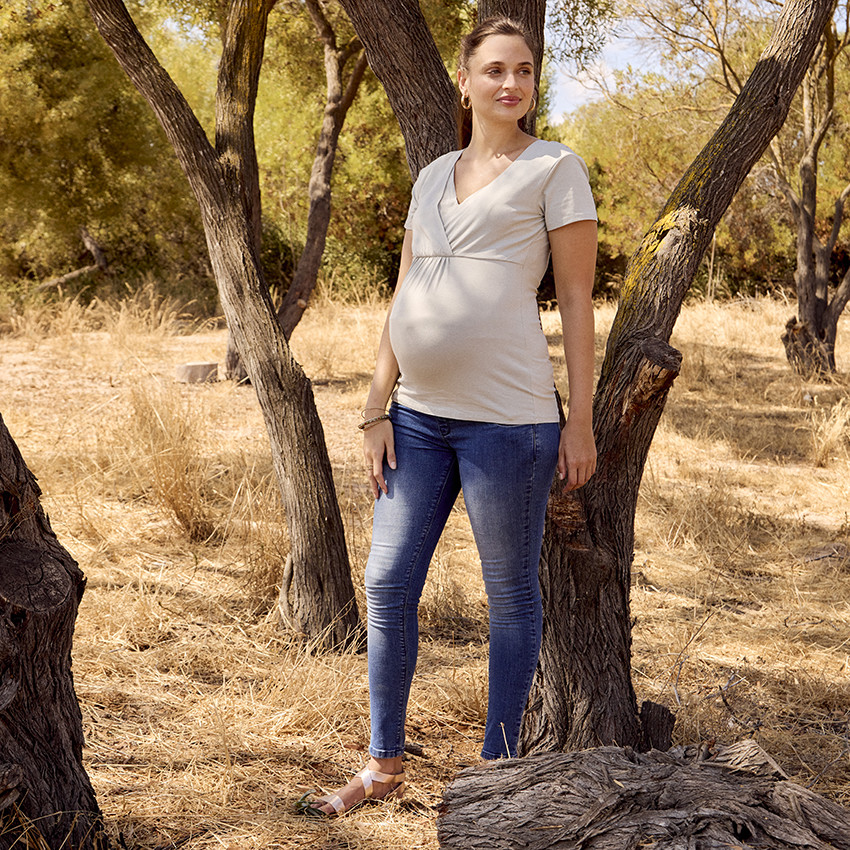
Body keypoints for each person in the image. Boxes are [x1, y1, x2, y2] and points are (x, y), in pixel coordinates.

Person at [304, 15, 598, 817]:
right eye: (495, 70)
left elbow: (576, 299)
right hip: (417, 419)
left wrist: (580, 418)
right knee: (387, 581)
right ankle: (382, 766)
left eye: (524, 71)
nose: (512, 83)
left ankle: (495, 774)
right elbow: (406, 291)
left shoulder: (556, 168)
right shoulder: (432, 174)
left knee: (511, 596)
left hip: (510, 422)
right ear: (464, 84)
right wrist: (376, 405)